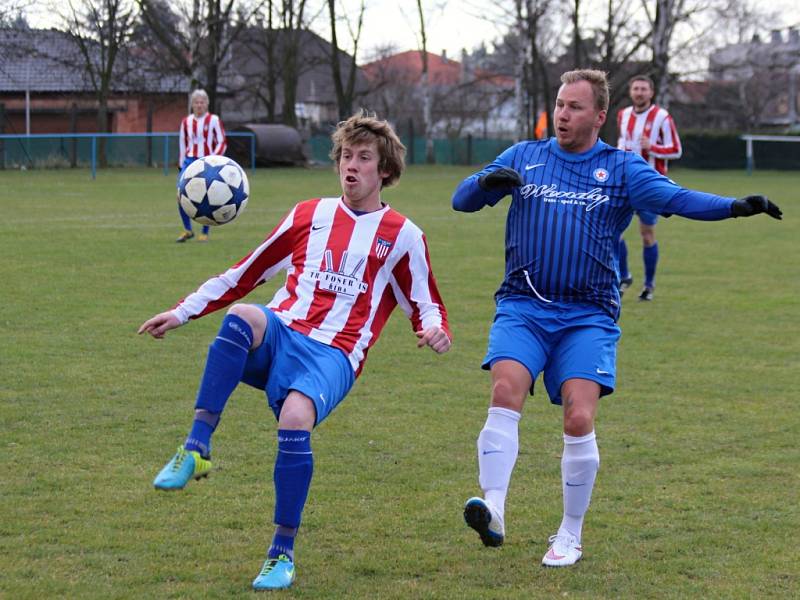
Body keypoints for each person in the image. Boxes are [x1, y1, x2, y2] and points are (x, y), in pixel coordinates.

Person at [452, 69, 781, 568]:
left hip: (588, 314)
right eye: (560, 104)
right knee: (504, 391)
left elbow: (678, 199)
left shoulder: (622, 168)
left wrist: (735, 206)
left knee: (579, 416)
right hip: (524, 304)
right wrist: (483, 182)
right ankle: (493, 508)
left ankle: (569, 532)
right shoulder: (524, 156)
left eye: (575, 107)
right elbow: (462, 201)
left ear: (599, 116)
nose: (563, 114)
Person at [139, 111, 451, 589]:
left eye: (364, 158)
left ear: (384, 170)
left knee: (295, 418)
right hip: (283, 329)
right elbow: (244, 273)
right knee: (242, 315)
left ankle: (281, 553)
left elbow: (426, 304)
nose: (351, 166)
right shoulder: (309, 214)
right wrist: (181, 313)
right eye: (346, 156)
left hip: (334, 355)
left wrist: (434, 330)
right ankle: (197, 446)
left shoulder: (404, 236)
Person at [616, 75, 682, 300]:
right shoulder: (623, 115)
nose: (639, 92)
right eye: (636, 88)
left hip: (650, 184)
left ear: (651, 93)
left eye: (644, 89)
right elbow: (622, 142)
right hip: (624, 183)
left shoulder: (662, 117)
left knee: (647, 235)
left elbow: (676, 149)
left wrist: (651, 147)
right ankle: (624, 276)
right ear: (630, 91)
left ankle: (649, 286)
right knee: (612, 231)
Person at [175, 89, 227, 243]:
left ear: (207, 104)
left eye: (202, 102)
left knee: (207, 196)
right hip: (189, 162)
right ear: (192, 104)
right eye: (196, 102)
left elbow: (222, 142)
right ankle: (187, 229)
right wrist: (181, 164)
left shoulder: (214, 120)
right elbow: (183, 143)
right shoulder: (186, 122)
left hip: (207, 163)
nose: (199, 105)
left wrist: (214, 160)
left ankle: (205, 232)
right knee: (181, 195)